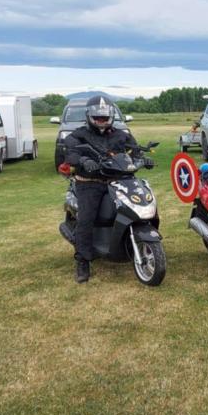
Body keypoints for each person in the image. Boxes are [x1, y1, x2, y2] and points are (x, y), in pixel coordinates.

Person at [64, 96, 153, 283]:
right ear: (89, 117)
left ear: (111, 117)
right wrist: (83, 161)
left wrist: (143, 158)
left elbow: (134, 149)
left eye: (105, 118)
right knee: (86, 219)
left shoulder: (121, 135)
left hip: (120, 179)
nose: (102, 121)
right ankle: (83, 260)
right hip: (90, 181)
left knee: (139, 206)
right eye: (98, 118)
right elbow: (70, 152)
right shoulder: (78, 135)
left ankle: (134, 242)